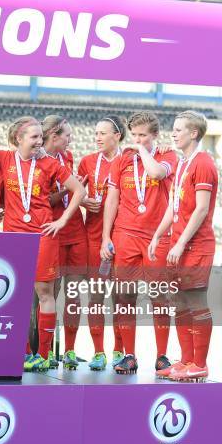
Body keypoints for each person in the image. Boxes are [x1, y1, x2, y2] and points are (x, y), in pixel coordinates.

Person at [0, 117, 85, 372]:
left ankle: (43, 355)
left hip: (43, 234)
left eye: (40, 137)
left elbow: (79, 190)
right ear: (17, 139)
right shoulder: (4, 158)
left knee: (45, 293)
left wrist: (62, 220)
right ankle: (23, 352)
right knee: (16, 294)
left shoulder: (49, 163)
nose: (38, 142)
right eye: (33, 137)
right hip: (13, 237)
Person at [100, 111, 177, 375]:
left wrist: (142, 150)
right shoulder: (122, 160)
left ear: (155, 135)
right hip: (125, 234)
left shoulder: (167, 156)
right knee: (125, 296)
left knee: (159, 296)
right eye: (134, 135)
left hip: (157, 237)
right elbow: (112, 199)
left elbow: (156, 171)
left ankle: (162, 356)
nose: (137, 140)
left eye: (143, 135)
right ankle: (129, 354)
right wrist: (105, 236)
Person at [149, 111, 217, 382]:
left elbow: (201, 210)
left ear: (194, 133)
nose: (173, 133)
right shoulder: (181, 163)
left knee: (196, 302)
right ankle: (186, 360)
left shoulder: (203, 163)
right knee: (179, 303)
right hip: (179, 244)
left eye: (179, 130)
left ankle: (200, 363)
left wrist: (179, 242)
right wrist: (157, 235)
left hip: (196, 246)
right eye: (173, 129)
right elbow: (173, 206)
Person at [40, 115, 88, 370]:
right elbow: (45, 201)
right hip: (52, 230)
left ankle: (69, 350)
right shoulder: (38, 162)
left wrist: (81, 197)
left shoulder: (67, 158)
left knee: (72, 293)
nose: (71, 139)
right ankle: (45, 351)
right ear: (54, 136)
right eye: (67, 135)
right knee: (50, 293)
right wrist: (71, 191)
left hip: (75, 229)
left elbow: (76, 193)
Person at [77, 116, 125, 370]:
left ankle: (119, 350)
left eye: (103, 133)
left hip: (123, 237)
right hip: (94, 236)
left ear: (117, 135)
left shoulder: (129, 160)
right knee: (96, 296)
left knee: (120, 297)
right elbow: (75, 192)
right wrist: (84, 201)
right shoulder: (86, 162)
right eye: (95, 132)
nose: (97, 137)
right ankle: (98, 352)